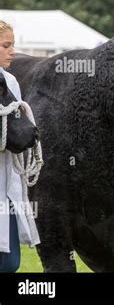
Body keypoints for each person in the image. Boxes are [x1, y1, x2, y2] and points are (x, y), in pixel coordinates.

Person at [0, 20, 40, 272]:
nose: (13, 51)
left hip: (7, 184)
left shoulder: (10, 82)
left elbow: (15, 128)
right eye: (6, 45)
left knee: (9, 262)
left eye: (12, 45)